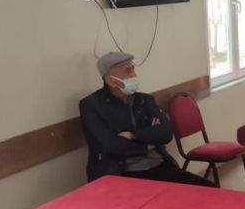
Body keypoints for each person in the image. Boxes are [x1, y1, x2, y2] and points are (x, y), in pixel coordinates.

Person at [80, 52, 215, 186]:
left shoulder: (144, 100)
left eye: (133, 69)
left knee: (209, 188)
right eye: (128, 71)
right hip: (123, 174)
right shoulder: (91, 105)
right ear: (111, 80)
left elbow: (166, 132)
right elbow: (109, 146)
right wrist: (147, 145)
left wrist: (133, 135)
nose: (134, 75)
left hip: (158, 165)